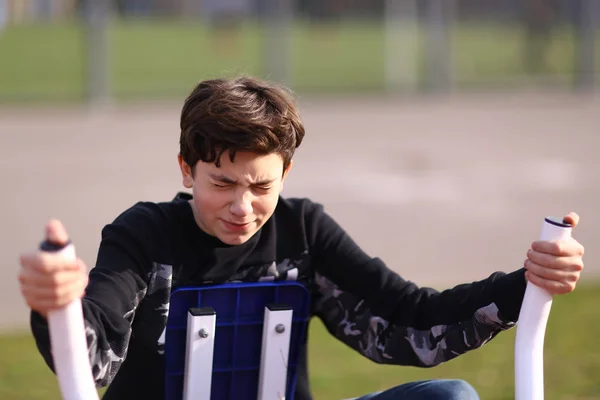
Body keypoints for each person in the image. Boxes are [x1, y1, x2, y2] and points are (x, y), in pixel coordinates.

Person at [18, 76, 585, 400]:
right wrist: (57, 305)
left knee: (451, 399)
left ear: (285, 175)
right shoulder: (143, 235)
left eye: (261, 186)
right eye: (222, 183)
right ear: (186, 169)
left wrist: (528, 285)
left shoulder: (303, 229)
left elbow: (409, 322)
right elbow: (90, 359)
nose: (243, 208)